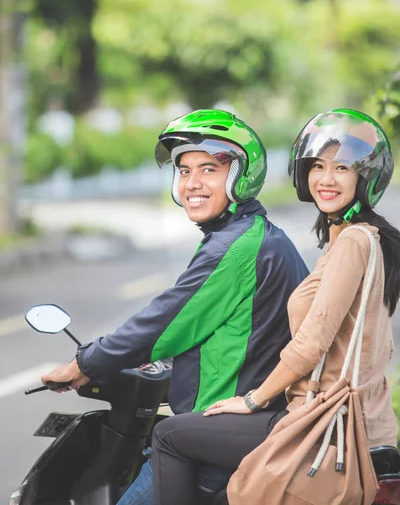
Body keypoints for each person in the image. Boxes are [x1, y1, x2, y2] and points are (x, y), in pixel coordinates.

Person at [40, 109, 308, 505]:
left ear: (240, 177)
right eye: (184, 171)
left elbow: (165, 320)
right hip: (257, 418)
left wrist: (83, 364)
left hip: (226, 432)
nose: (192, 183)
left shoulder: (236, 248)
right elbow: (223, 326)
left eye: (208, 170)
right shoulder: (256, 235)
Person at [151, 108, 400, 505]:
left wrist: (252, 399)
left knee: (169, 435)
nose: (326, 179)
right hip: (351, 419)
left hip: (317, 419)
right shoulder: (361, 240)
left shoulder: (354, 242)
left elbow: (311, 343)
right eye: (318, 166)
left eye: (342, 168)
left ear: (365, 178)